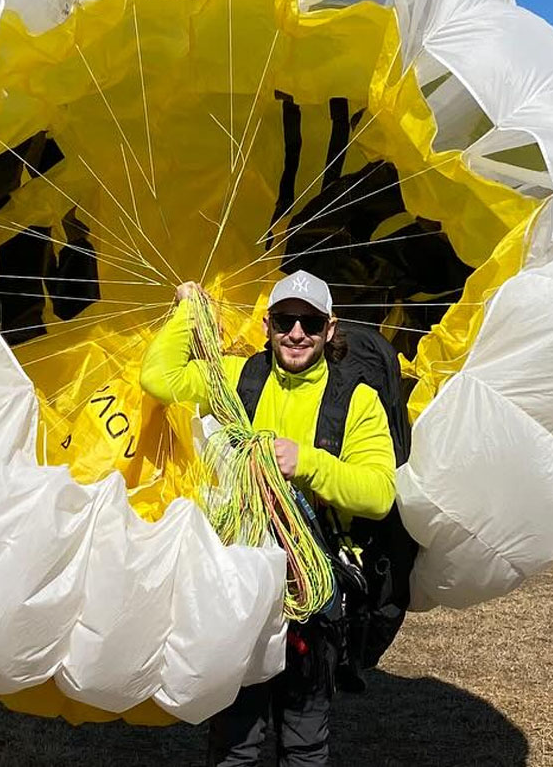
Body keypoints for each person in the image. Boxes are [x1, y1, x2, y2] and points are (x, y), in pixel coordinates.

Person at [140, 269, 396, 767]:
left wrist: (308, 463)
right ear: (267, 324)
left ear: (330, 328)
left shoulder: (357, 400)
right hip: (241, 584)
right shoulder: (238, 377)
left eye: (309, 322)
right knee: (236, 738)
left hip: (312, 587)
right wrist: (188, 312)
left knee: (303, 742)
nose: (296, 333)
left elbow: (380, 493)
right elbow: (159, 377)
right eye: (285, 320)